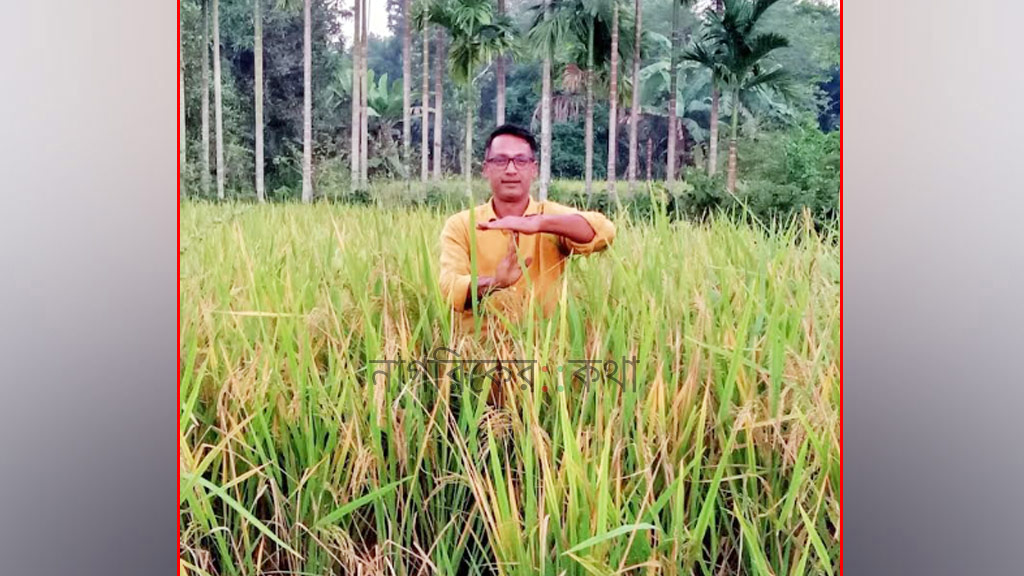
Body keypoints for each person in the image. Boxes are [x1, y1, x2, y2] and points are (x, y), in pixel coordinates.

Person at [439, 124, 616, 331]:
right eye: (500, 160)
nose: (511, 169)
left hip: (543, 353)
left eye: (521, 161)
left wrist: (539, 223)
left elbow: (604, 231)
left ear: (534, 168)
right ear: (486, 168)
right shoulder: (461, 225)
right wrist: (495, 283)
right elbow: (450, 286)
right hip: (478, 352)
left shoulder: (548, 216)